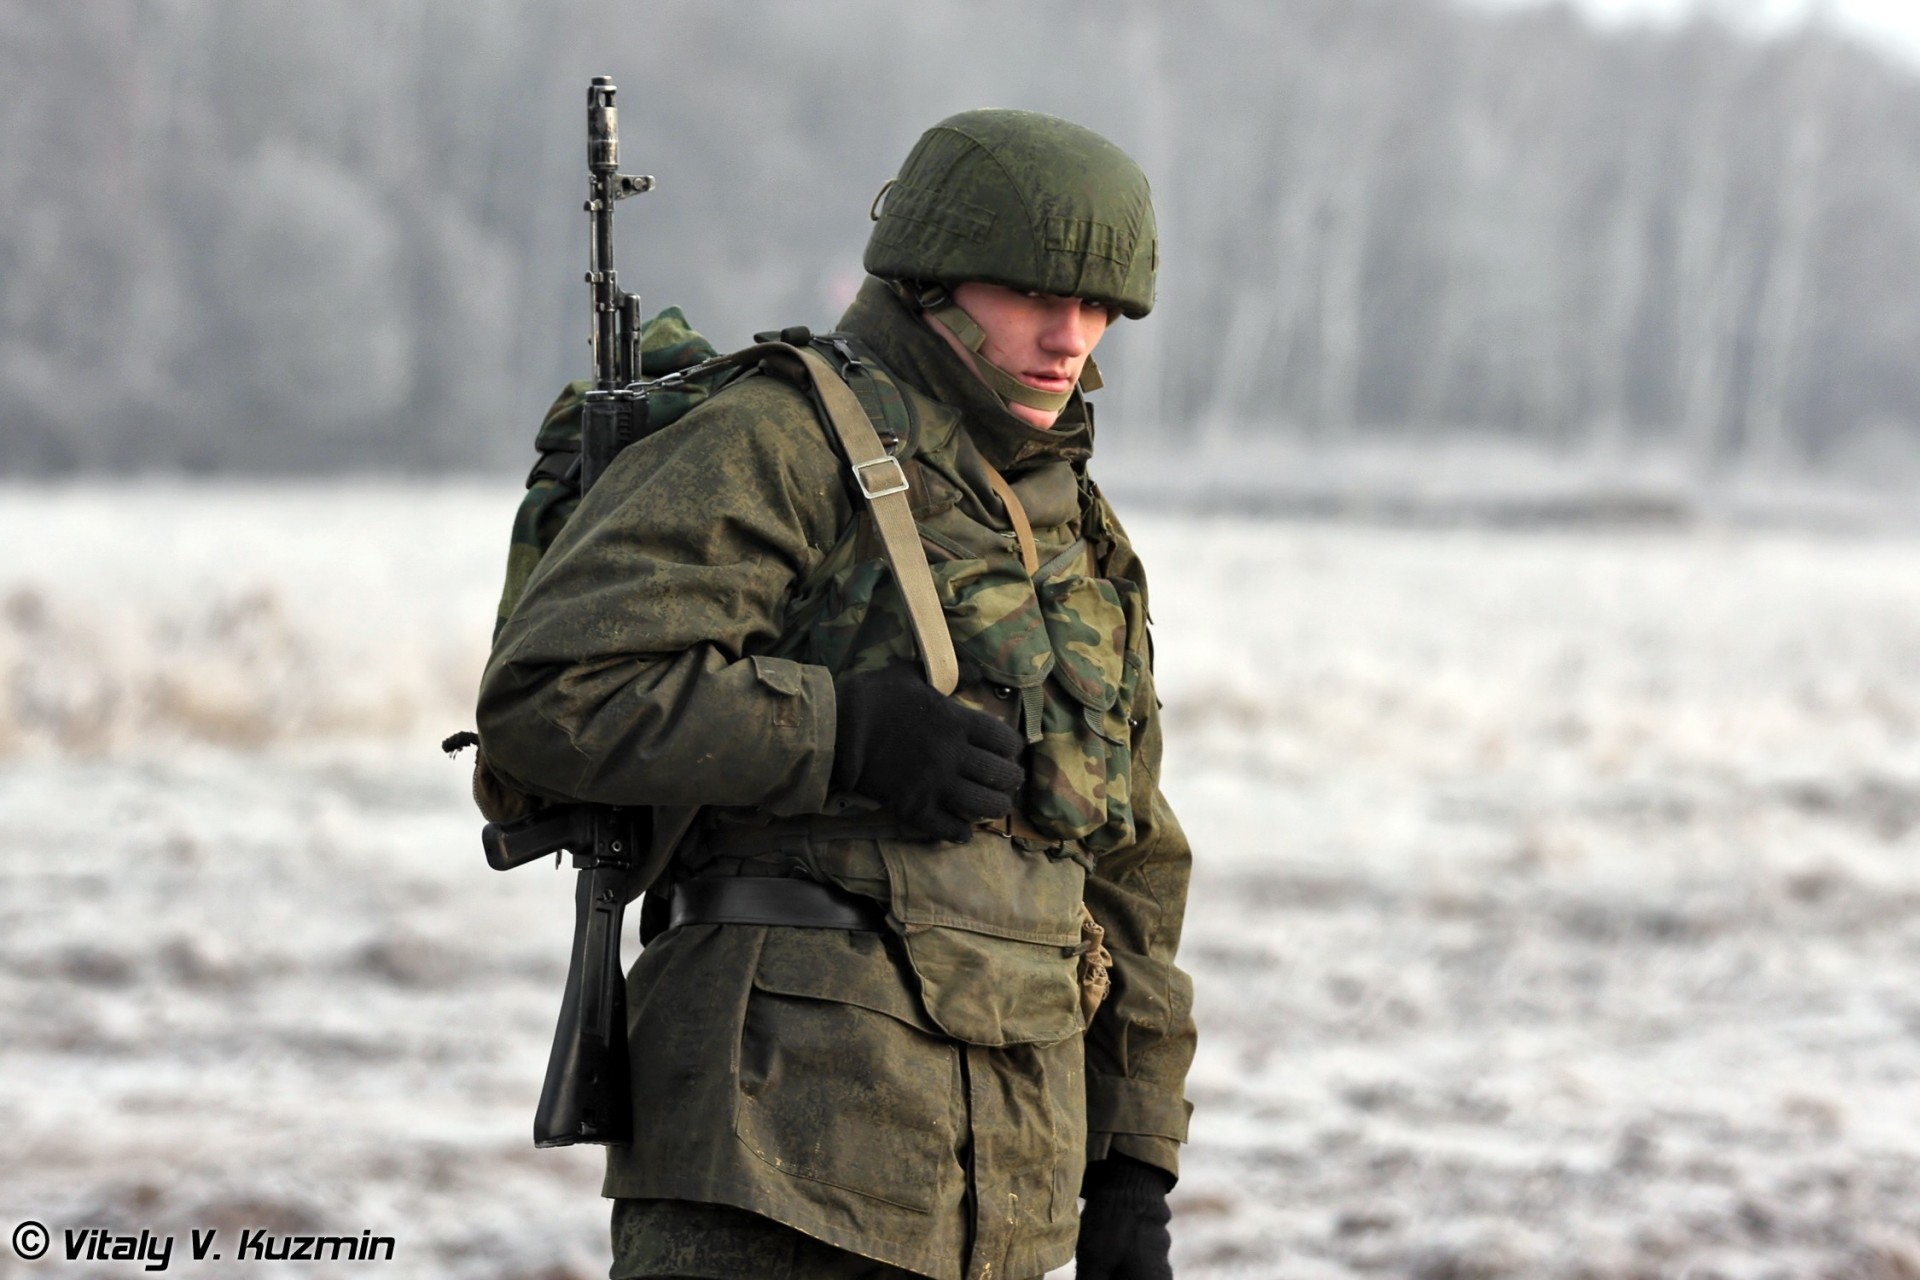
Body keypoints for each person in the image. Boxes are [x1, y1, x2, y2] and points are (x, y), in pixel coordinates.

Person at [477, 108, 1195, 1280]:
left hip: (1007, 1193)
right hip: (776, 1168)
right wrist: (840, 733)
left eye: (1102, 306)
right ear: (931, 280)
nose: (1072, 336)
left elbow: (1129, 859)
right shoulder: (782, 438)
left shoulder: (1076, 522)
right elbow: (558, 691)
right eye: (1033, 294)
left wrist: (1130, 1169)